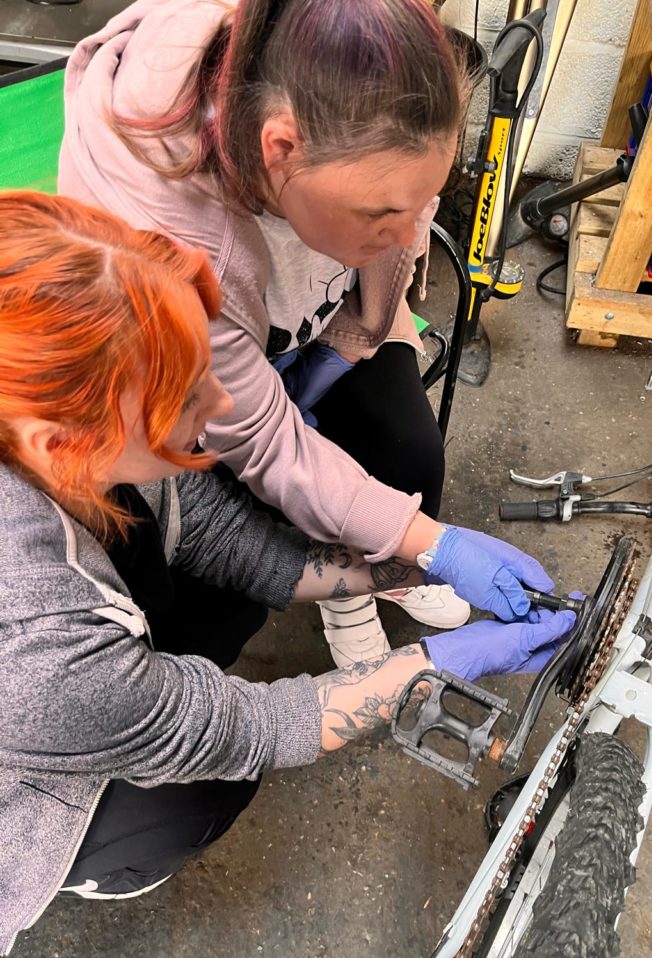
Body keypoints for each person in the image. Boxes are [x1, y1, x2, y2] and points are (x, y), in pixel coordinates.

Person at [0, 192, 577, 956]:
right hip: (31, 733)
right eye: (185, 395)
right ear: (58, 441)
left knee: (218, 588)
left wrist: (409, 567)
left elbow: (213, 531)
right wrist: (435, 661)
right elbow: (246, 728)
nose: (225, 401)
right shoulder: (37, 645)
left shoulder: (53, 413)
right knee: (198, 791)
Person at [57, 0, 530, 666]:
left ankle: (362, 574)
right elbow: (260, 442)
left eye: (421, 202)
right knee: (215, 603)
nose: (410, 239)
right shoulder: (168, 252)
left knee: (408, 457)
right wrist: (425, 545)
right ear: (281, 149)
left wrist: (412, 552)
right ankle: (343, 574)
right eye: (383, 214)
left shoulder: (360, 83)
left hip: (316, 334)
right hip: (187, 385)